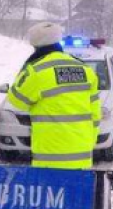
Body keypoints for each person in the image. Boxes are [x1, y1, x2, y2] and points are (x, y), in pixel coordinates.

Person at [7, 22, 101, 169]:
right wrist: (89, 141)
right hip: (82, 155)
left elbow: (15, 100)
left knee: (52, 193)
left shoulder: (37, 71)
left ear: (35, 46)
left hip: (49, 157)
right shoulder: (85, 70)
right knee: (76, 192)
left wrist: (25, 69)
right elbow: (95, 113)